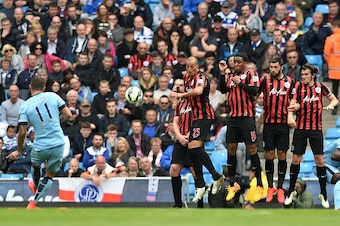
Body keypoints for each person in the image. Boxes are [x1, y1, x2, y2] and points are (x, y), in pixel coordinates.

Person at [7, 76, 72, 209]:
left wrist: (19, 150)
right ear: (44, 88)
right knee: (50, 174)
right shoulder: (53, 96)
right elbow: (68, 115)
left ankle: (35, 192)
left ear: (30, 87)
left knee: (36, 165)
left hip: (41, 144)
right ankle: (34, 201)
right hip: (58, 142)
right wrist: (56, 122)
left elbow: (23, 131)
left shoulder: (25, 106)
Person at [285, 63, 339, 209]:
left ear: (313, 75)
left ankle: (323, 193)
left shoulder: (321, 87)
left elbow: (335, 99)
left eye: (306, 74)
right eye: (302, 74)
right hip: (300, 129)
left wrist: (331, 105)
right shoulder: (298, 87)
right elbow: (293, 103)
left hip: (316, 129)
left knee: (320, 160)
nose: (303, 77)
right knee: (296, 158)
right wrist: (291, 115)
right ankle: (290, 191)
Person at [174, 56, 224, 201]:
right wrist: (178, 90)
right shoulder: (186, 79)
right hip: (195, 117)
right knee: (192, 150)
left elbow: (198, 91)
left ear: (197, 67)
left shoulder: (201, 77)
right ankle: (201, 184)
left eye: (192, 66)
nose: (189, 69)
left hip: (205, 115)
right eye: (187, 67)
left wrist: (181, 94)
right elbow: (187, 91)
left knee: (194, 148)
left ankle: (216, 176)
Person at [218, 52, 263, 202]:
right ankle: (232, 184)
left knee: (252, 150)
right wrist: (222, 73)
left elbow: (255, 91)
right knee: (231, 149)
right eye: (233, 62)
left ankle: (260, 185)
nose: (235, 64)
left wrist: (240, 83)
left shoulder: (251, 73)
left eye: (238, 62)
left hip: (246, 118)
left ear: (245, 63)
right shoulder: (230, 77)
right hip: (233, 119)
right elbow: (223, 89)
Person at [257, 55, 295, 204]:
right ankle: (270, 188)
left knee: (282, 155)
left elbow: (294, 99)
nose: (272, 70)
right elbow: (255, 94)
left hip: (283, 124)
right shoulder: (265, 80)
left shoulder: (289, 82)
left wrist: (292, 112)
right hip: (268, 123)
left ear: (281, 67)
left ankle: (280, 188)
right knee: (269, 155)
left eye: (275, 67)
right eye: (271, 67)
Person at [324, 19, 340, 115]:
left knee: (334, 90)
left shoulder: (330, 38)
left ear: (334, 27)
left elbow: (326, 54)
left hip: (334, 69)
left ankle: (334, 108)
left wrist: (331, 61)